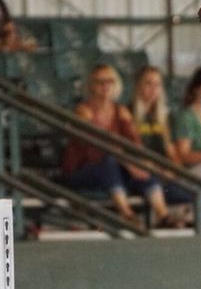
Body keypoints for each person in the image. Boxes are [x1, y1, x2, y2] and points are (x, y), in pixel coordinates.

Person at [60, 64, 181, 227]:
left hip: (116, 169)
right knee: (109, 161)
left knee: (142, 171)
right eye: (100, 82)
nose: (106, 86)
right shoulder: (84, 111)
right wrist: (127, 162)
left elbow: (134, 142)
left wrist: (139, 163)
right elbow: (97, 147)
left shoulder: (121, 111)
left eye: (110, 81)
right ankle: (126, 214)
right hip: (83, 169)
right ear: (91, 86)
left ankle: (162, 215)